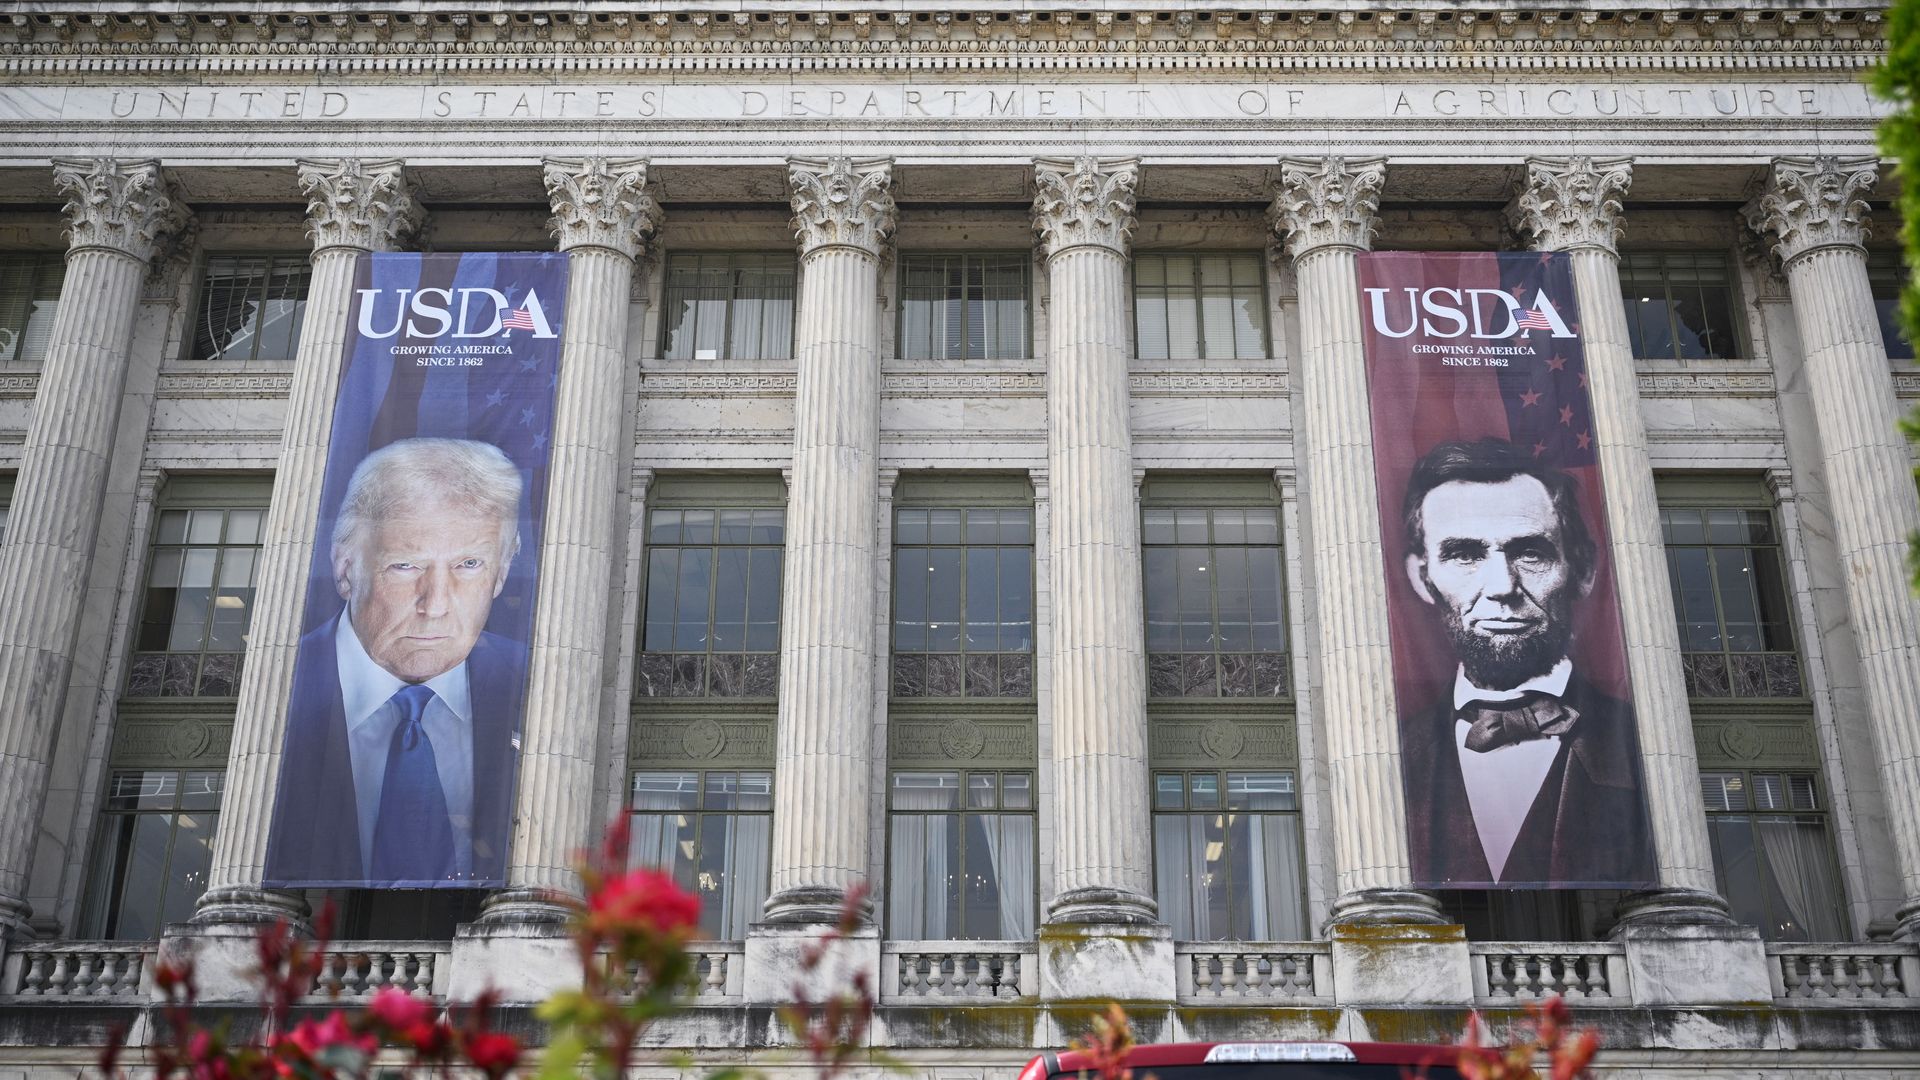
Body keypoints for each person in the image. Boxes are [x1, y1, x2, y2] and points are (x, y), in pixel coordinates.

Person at [264, 437, 528, 887]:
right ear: (346, 569)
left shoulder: (533, 681)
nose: (437, 604)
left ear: (501, 573)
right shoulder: (280, 675)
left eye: (469, 564)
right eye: (405, 566)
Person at [1397, 438, 1656, 888]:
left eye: (1530, 553)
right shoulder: (1392, 755)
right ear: (1423, 578)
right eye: (1465, 554)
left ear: (1583, 570)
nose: (1502, 587)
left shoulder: (1644, 744)